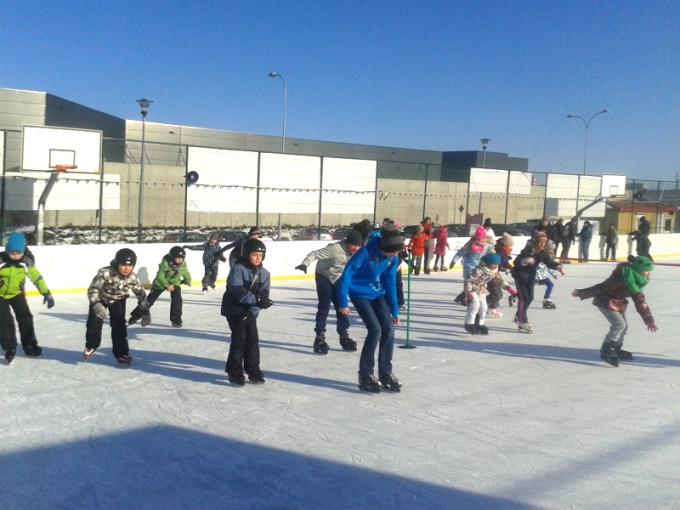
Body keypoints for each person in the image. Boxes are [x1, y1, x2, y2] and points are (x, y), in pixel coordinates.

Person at [337, 223, 404, 393]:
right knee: (375, 329)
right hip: (358, 292)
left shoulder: (393, 258)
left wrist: (394, 310)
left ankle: (385, 373)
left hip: (376, 292)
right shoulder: (365, 252)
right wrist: (342, 302)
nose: (394, 256)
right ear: (384, 247)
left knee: (388, 329)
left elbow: (390, 283)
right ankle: (365, 374)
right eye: (392, 252)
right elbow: (347, 274)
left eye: (396, 253)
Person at [572, 255, 657, 367]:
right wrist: (583, 293)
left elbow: (640, 302)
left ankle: (616, 349)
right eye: (647, 271)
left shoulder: (636, 281)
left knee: (624, 326)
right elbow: (602, 287)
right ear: (639, 270)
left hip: (617, 303)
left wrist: (649, 320)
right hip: (605, 301)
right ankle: (606, 350)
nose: (649, 274)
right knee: (619, 324)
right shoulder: (621, 278)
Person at [295, 230, 364, 354]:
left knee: (342, 306)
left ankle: (344, 335)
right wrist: (305, 264)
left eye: (358, 245)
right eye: (353, 244)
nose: (355, 248)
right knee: (324, 306)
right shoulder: (335, 249)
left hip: (338, 279)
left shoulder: (358, 253)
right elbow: (315, 254)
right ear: (347, 242)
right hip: (323, 276)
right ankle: (319, 337)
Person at [84, 248, 149, 365]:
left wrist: (145, 309)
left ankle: (122, 353)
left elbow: (141, 293)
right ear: (117, 263)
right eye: (123, 265)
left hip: (118, 300)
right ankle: (91, 345)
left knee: (119, 326)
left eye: (130, 266)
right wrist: (96, 304)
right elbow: (92, 289)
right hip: (100, 299)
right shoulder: (105, 273)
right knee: (94, 323)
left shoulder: (132, 277)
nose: (126, 269)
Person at [221, 238, 273, 385]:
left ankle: (253, 370)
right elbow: (237, 289)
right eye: (254, 254)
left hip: (249, 309)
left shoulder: (265, 274)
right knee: (240, 338)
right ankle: (234, 371)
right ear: (246, 254)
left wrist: (254, 310)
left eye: (261, 255)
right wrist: (256, 302)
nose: (258, 258)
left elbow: (263, 296)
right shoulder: (238, 269)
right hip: (234, 307)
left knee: (253, 339)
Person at [0, 233, 54, 364]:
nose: (15, 255)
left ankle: (29, 345)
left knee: (26, 318)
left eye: (18, 253)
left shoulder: (26, 262)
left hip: (17, 293)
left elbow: (36, 277)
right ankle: (10, 347)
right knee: (5, 321)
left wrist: (46, 293)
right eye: (12, 253)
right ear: (7, 251)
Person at [511, 231, 563, 333]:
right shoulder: (528, 250)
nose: (543, 244)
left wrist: (558, 266)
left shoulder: (543, 253)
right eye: (540, 241)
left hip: (530, 277)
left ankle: (519, 315)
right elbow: (516, 261)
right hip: (520, 276)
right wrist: (525, 260)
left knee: (530, 298)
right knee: (523, 298)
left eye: (544, 241)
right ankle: (522, 321)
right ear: (535, 241)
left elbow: (550, 262)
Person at [128, 246, 191, 328]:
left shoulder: (183, 266)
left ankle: (176, 320)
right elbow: (160, 277)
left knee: (177, 300)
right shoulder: (165, 265)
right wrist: (166, 285)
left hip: (174, 284)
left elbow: (186, 274)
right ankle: (135, 315)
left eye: (181, 258)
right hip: (160, 284)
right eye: (177, 258)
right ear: (172, 257)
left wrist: (188, 280)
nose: (180, 260)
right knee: (149, 300)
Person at [463, 253, 514, 335]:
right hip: (472, 290)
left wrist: (509, 289)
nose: (495, 266)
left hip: (481, 290)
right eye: (493, 264)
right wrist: (468, 292)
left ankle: (480, 324)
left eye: (496, 264)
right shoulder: (479, 270)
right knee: (475, 304)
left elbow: (499, 280)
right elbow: (468, 280)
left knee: (484, 307)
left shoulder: (494, 271)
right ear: (488, 263)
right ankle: (469, 324)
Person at [450, 226, 494, 306]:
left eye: (482, 238)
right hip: (468, 266)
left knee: (475, 283)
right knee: (468, 281)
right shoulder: (470, 244)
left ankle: (462, 297)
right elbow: (460, 253)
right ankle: (465, 297)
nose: (480, 240)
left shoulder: (486, 245)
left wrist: (494, 258)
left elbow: (490, 253)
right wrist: (453, 261)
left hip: (478, 267)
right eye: (479, 238)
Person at [487, 233, 516, 318]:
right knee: (497, 294)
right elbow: (494, 264)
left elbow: (505, 262)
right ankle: (482, 305)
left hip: (495, 274)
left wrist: (512, 269)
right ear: (506, 244)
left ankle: (492, 309)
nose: (511, 247)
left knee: (498, 292)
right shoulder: (499, 251)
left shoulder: (503, 250)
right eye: (510, 245)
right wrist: (504, 269)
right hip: (490, 274)